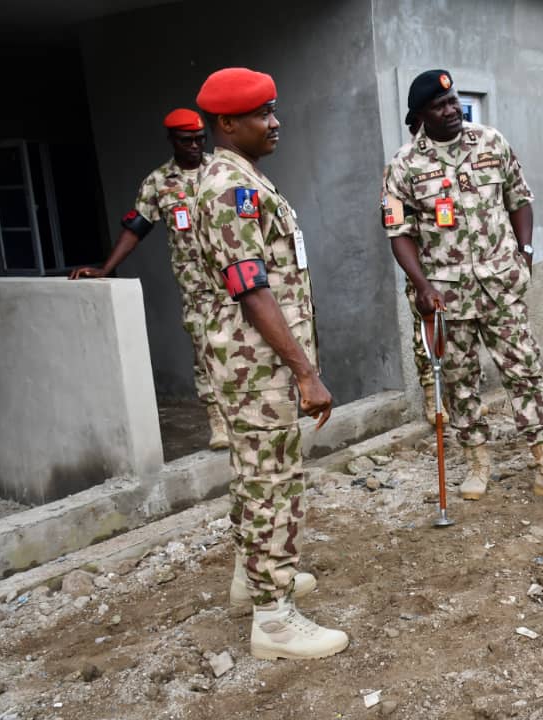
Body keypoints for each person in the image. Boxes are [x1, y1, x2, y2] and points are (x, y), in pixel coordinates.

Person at [384, 69, 543, 502]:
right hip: (448, 294)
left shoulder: (491, 142)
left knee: (525, 371)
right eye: (440, 106)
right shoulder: (404, 165)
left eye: (454, 100)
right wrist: (422, 286)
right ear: (421, 114)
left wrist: (527, 252)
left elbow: (519, 199)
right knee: (460, 381)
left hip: (502, 284)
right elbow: (398, 233)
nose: (452, 110)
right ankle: (478, 462)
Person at [194, 67, 347, 660]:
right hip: (257, 369)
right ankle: (273, 619)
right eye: (263, 114)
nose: (275, 122)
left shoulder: (244, 177)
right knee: (271, 485)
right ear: (228, 122)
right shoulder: (229, 189)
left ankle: (250, 582)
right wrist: (306, 372)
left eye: (273, 109)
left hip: (257, 365)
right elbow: (251, 288)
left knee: (258, 478)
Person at [69, 109, 227, 450]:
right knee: (205, 351)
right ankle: (219, 422)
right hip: (197, 287)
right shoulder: (159, 182)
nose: (196, 146)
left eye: (201, 139)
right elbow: (136, 228)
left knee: (245, 347)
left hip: (235, 282)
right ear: (172, 140)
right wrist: (105, 268)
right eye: (187, 141)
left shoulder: (222, 170)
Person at [385, 113, 441, 426]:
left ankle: (459, 401)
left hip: (457, 271)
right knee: (427, 336)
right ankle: (434, 400)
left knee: (459, 341)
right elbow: (394, 224)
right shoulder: (400, 168)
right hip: (424, 272)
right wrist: (419, 281)